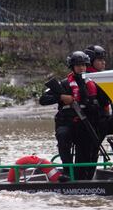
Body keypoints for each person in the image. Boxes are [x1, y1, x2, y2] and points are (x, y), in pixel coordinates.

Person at [39, 51, 103, 179]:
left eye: (84, 65)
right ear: (72, 67)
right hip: (66, 123)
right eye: (78, 65)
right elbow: (43, 99)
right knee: (63, 135)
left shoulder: (93, 83)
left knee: (87, 147)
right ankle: (67, 170)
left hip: (85, 125)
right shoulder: (64, 84)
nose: (81, 68)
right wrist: (61, 97)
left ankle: (82, 177)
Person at [83, 44, 113, 138]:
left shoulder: (99, 77)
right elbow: (104, 100)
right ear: (90, 62)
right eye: (99, 60)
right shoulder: (88, 79)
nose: (103, 63)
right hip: (97, 122)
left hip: (102, 119)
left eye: (103, 60)